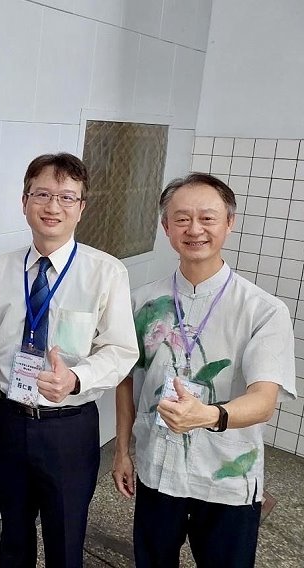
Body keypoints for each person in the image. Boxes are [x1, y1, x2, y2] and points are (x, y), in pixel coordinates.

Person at [112, 173, 296, 568]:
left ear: (229, 223)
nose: (194, 229)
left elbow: (264, 401)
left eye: (207, 218)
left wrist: (208, 415)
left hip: (225, 479)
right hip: (158, 469)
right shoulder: (143, 302)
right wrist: (122, 451)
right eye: (181, 219)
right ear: (166, 227)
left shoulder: (263, 310)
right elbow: (126, 380)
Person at [0, 152, 139, 568]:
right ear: (24, 201)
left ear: (81, 207)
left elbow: (121, 351)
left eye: (66, 197)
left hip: (68, 427)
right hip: (8, 419)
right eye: (42, 194)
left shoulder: (105, 272)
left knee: (65, 540)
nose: (52, 206)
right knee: (13, 532)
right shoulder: (2, 268)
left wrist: (76, 378)